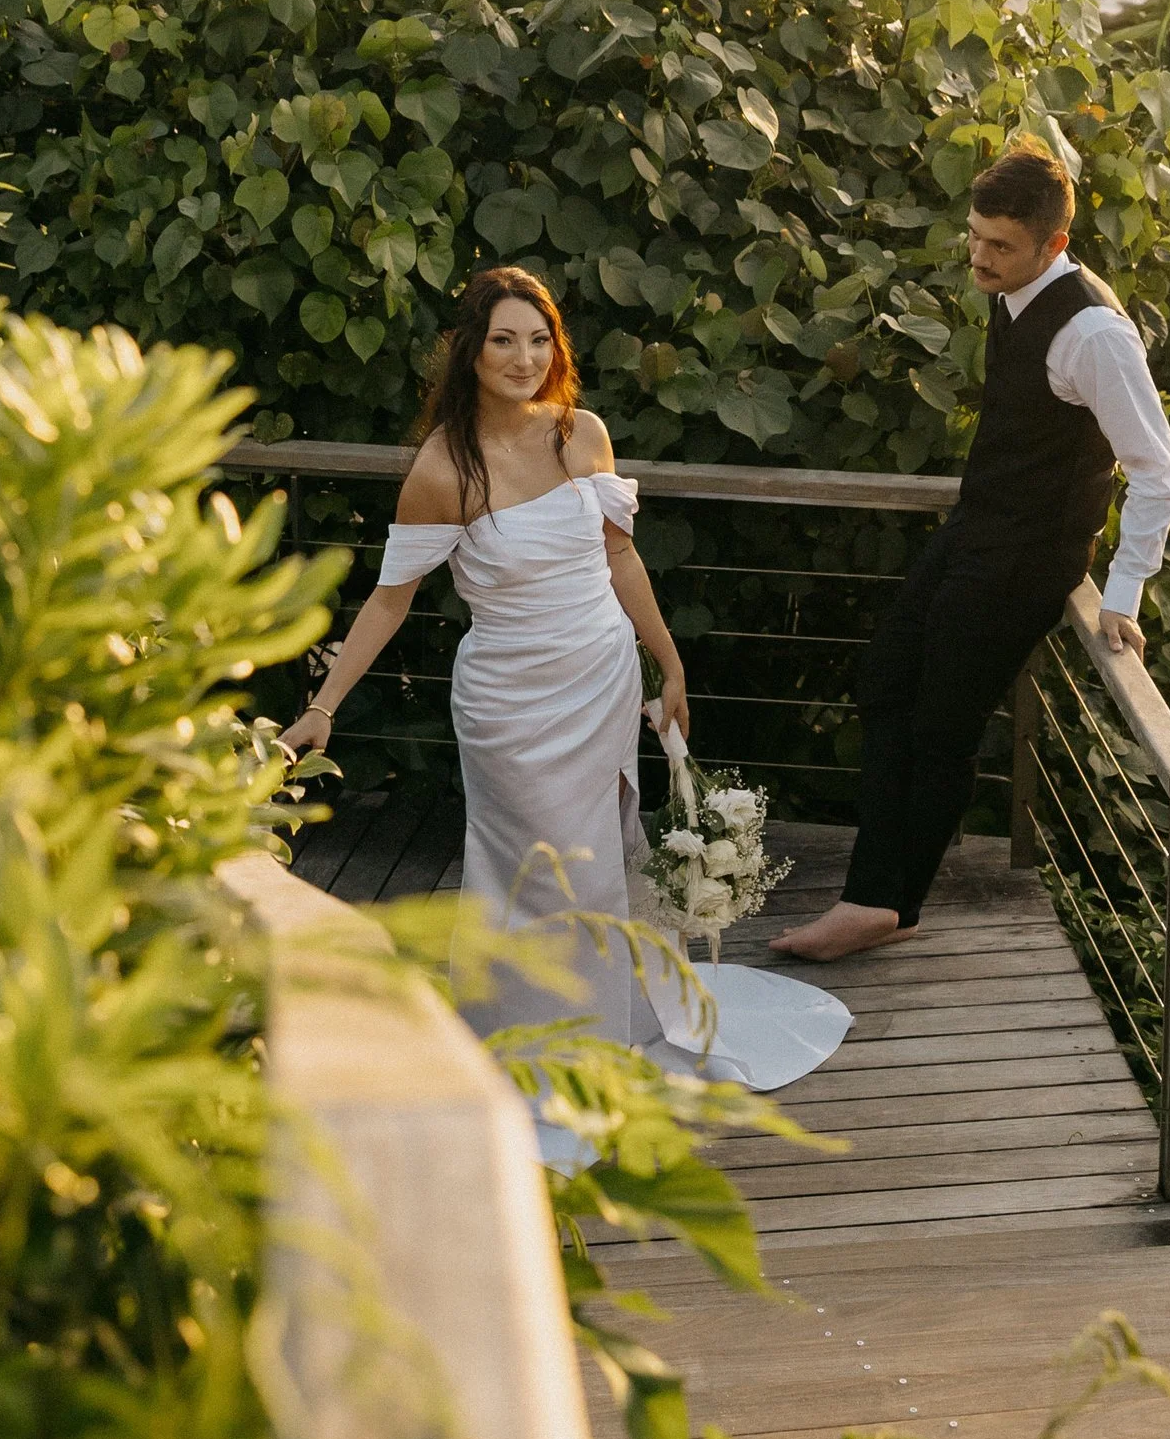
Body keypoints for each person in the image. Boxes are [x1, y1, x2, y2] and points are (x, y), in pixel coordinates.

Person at [290, 265, 848, 1099]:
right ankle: (535, 1049)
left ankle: (615, 1034)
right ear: (470, 352)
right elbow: (390, 599)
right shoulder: (443, 469)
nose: (523, 358)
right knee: (536, 874)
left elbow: (620, 557)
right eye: (503, 340)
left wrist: (669, 659)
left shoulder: (581, 433)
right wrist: (323, 707)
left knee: (604, 863)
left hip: (602, 679)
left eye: (538, 339)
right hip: (510, 706)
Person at [772, 138, 1170, 964]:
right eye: (975, 237)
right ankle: (884, 895)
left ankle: (884, 903)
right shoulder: (1013, 288)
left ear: (1053, 244)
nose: (981, 258)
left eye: (1001, 246)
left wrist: (1125, 593)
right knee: (885, 678)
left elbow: (1160, 474)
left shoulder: (1096, 335)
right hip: (978, 528)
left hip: (1027, 558)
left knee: (942, 723)